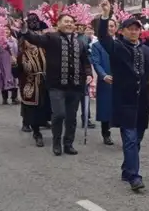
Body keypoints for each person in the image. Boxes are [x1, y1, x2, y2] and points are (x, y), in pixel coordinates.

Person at [97, 0, 149, 190]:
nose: (134, 32)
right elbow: (103, 37)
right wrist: (105, 15)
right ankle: (134, 176)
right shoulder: (117, 47)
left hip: (142, 101)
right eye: (130, 29)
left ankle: (127, 169)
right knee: (130, 138)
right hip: (124, 101)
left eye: (137, 29)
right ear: (123, 31)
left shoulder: (146, 50)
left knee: (138, 138)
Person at [19, 13, 92, 156]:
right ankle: (56, 142)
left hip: (75, 86)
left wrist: (88, 73)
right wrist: (24, 30)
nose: (69, 24)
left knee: (71, 117)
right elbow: (35, 39)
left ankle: (68, 143)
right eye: (66, 21)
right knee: (59, 114)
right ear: (58, 24)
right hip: (56, 86)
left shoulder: (80, 42)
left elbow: (85, 61)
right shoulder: (51, 38)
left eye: (71, 22)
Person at [18, 38, 52, 148]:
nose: (31, 43)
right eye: (28, 41)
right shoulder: (22, 55)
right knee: (33, 109)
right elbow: (17, 73)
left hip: (46, 83)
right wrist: (14, 64)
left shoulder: (45, 51)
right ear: (24, 42)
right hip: (30, 84)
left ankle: (47, 123)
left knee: (47, 106)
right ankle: (37, 133)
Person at [90, 18, 115, 145]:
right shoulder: (96, 46)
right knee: (105, 107)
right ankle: (106, 133)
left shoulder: (120, 43)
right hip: (106, 80)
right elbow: (96, 62)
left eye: (112, 26)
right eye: (108, 26)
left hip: (120, 81)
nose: (110, 28)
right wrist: (103, 75)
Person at [0, 26, 19, 105]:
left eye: (7, 29)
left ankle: (14, 98)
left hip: (12, 62)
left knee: (14, 79)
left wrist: (15, 58)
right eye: (4, 30)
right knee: (4, 79)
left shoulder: (14, 40)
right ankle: (5, 99)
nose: (6, 31)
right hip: (2, 63)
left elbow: (17, 50)